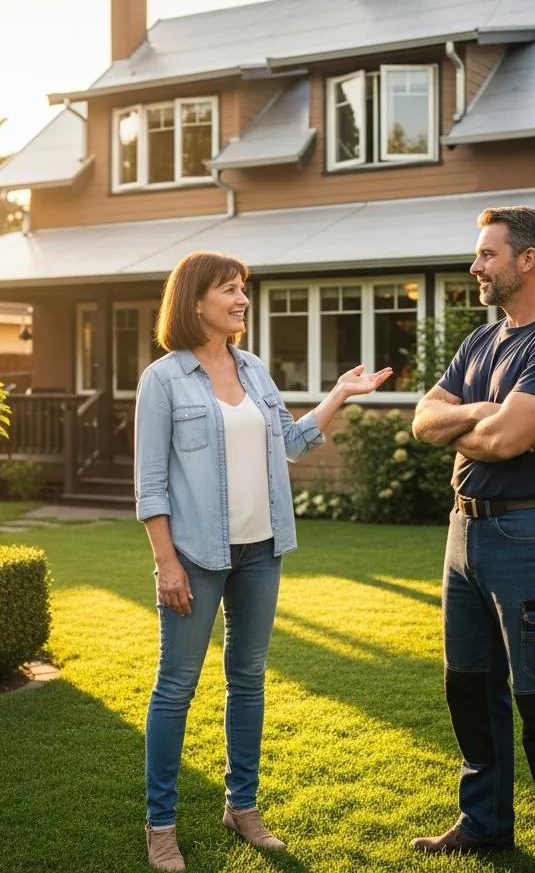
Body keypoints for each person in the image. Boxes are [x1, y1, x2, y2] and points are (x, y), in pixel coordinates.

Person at [134, 250, 392, 872]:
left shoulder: (252, 369)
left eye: (243, 288)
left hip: (261, 552)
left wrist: (337, 397)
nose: (242, 299)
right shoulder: (163, 380)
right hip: (195, 556)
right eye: (230, 290)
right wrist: (166, 563)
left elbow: (292, 444)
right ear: (196, 302)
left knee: (247, 680)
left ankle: (241, 806)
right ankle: (161, 824)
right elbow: (149, 485)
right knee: (176, 688)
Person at [411, 206, 535, 873]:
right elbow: (422, 421)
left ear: (528, 260)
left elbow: (507, 440)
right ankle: (485, 821)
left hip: (529, 534)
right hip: (464, 532)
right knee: (469, 687)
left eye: (487, 254)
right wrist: (481, 412)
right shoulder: (483, 342)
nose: (475, 267)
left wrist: (471, 423)